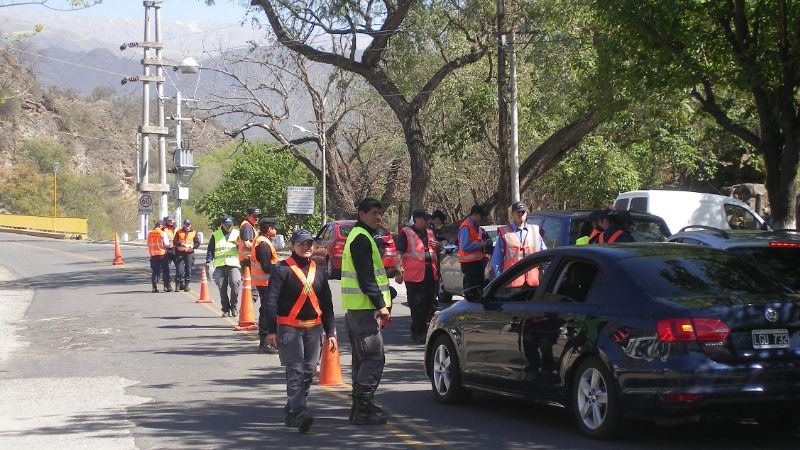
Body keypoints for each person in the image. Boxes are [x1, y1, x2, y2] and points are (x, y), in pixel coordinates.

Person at [264, 229, 336, 434]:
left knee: (308, 371)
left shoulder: (319, 270)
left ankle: (291, 409)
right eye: (302, 244)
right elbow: (271, 302)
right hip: (289, 328)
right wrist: (271, 330)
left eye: (310, 244)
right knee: (295, 370)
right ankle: (300, 411)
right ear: (293, 246)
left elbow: (327, 304)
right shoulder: (282, 270)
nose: (307, 247)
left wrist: (330, 331)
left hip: (313, 328)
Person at [341, 197, 392, 426]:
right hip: (364, 309)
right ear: (361, 215)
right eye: (373, 213)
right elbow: (366, 277)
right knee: (373, 358)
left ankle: (359, 408)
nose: (378, 217)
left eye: (379, 213)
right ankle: (363, 409)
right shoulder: (361, 239)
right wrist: (380, 304)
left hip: (358, 309)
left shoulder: (360, 236)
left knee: (361, 360)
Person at [395, 209, 439, 344]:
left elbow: (436, 249)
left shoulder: (431, 232)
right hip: (414, 276)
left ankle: (421, 330)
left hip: (430, 273)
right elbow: (399, 252)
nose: (427, 221)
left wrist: (439, 245)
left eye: (428, 219)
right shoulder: (406, 232)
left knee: (430, 304)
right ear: (417, 219)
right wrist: (398, 270)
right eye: (425, 219)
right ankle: (419, 333)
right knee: (417, 305)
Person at [491, 202, 547, 282]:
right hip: (512, 282)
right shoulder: (505, 233)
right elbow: (497, 259)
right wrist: (500, 280)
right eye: (518, 212)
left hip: (532, 282)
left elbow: (545, 256)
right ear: (512, 214)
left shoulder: (534, 231)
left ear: (526, 214)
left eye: (523, 212)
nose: (520, 214)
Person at [205, 215, 242, 317]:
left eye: (230, 225)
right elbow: (210, 249)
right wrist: (208, 261)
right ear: (222, 224)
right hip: (220, 266)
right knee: (222, 288)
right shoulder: (215, 235)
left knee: (235, 284)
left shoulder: (237, 234)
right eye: (226, 225)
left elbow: (243, 248)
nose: (228, 226)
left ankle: (234, 307)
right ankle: (225, 309)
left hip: (234, 265)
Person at [255, 217, 281, 355]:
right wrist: (280, 268)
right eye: (274, 228)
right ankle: (265, 343)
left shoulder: (263, 241)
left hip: (265, 282)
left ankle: (267, 342)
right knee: (266, 312)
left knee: (266, 310)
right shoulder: (263, 244)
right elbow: (266, 267)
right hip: (265, 282)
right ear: (269, 229)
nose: (276, 230)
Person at [458, 204, 491, 291]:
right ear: (475, 214)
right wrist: (482, 244)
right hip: (469, 264)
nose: (482, 218)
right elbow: (465, 246)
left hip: (477, 263)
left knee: (479, 289)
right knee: (471, 290)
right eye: (481, 216)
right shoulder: (466, 227)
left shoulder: (478, 227)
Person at [238, 207, 261, 304]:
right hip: (248, 259)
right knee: (253, 285)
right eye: (254, 216)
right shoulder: (247, 226)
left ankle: (247, 306)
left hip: (247, 259)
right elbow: (247, 243)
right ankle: (248, 306)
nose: (256, 218)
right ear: (248, 216)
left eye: (258, 217)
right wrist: (259, 249)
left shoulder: (248, 225)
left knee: (250, 284)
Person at [174, 219, 201, 292]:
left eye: (188, 224)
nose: (187, 226)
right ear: (184, 225)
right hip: (180, 253)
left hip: (189, 253)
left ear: (190, 225)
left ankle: (186, 286)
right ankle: (177, 285)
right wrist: (180, 244)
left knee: (188, 270)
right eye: (186, 224)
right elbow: (175, 241)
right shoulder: (179, 232)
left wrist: (192, 246)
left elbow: (197, 243)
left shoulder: (193, 233)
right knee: (180, 270)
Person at [147, 219, 169, 293]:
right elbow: (166, 244)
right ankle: (166, 286)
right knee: (165, 271)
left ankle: (154, 287)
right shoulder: (163, 233)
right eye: (162, 225)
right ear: (160, 225)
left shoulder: (149, 233)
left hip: (153, 255)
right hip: (162, 254)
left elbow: (148, 243)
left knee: (155, 271)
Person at [160, 216, 177, 291]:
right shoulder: (163, 229)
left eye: (172, 220)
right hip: (166, 251)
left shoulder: (177, 229)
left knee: (180, 268)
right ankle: (167, 284)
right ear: (166, 221)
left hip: (175, 250)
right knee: (166, 269)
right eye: (169, 220)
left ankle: (180, 283)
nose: (171, 222)